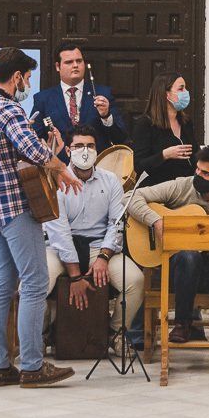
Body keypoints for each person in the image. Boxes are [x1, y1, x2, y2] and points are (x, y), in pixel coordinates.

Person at [0, 47, 82, 388]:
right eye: (28, 77)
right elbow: (32, 150)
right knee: (34, 284)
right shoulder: (9, 108)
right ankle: (33, 366)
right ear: (17, 76)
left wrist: (47, 152)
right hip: (17, 210)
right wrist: (63, 167)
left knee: (1, 284)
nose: (28, 83)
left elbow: (13, 152)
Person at [127, 143, 209, 372]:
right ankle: (183, 324)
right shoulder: (182, 187)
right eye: (197, 169)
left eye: (206, 173)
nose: (198, 175)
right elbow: (131, 196)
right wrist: (155, 221)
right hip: (175, 269)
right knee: (189, 255)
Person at [43, 124, 144, 353]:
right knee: (39, 280)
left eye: (90, 145)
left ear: (98, 150)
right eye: (78, 146)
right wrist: (75, 276)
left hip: (99, 247)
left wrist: (104, 257)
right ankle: (42, 334)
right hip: (60, 248)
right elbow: (59, 232)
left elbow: (116, 223)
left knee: (135, 281)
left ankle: (114, 333)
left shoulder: (110, 181)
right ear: (68, 151)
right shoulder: (55, 181)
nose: (85, 151)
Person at [31, 42, 128, 162]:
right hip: (61, 170)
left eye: (79, 61)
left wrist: (106, 116)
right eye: (69, 62)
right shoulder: (43, 99)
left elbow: (120, 137)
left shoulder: (102, 93)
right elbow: (34, 139)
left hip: (97, 167)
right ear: (58, 66)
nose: (75, 65)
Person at [132, 72, 197, 187]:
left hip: (185, 187)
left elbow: (194, 154)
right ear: (166, 94)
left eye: (185, 88)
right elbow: (139, 165)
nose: (186, 93)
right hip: (157, 189)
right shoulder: (145, 124)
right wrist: (165, 155)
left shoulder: (186, 122)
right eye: (181, 89)